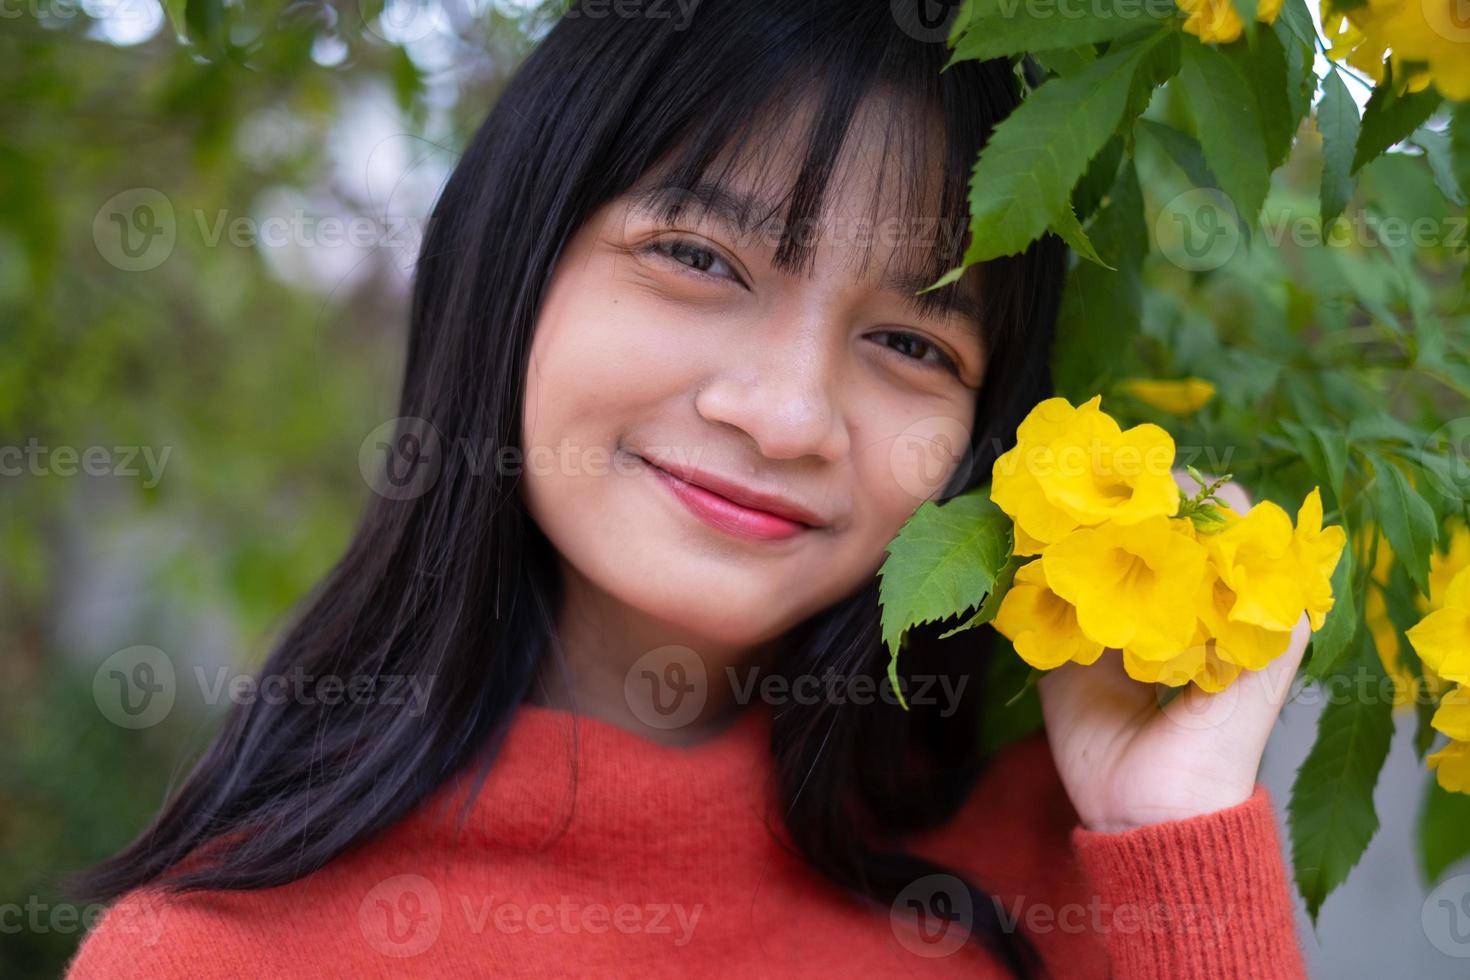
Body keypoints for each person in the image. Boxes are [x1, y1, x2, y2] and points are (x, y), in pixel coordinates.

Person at [63, 1, 1310, 976]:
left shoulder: (1066, 871)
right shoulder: (218, 953)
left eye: (914, 343)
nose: (785, 414)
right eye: (698, 256)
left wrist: (1173, 837)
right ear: (513, 259)